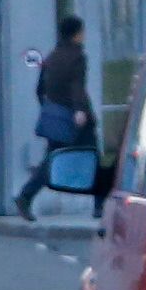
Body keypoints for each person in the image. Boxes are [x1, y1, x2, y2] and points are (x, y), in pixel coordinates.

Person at [18, 14, 102, 221]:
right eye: (82, 32)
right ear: (76, 34)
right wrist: (80, 110)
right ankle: (100, 207)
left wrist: (50, 109)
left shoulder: (52, 56)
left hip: (56, 120)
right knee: (93, 157)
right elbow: (77, 86)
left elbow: (39, 89)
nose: (84, 35)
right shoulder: (77, 57)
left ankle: (25, 196)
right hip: (76, 119)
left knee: (52, 160)